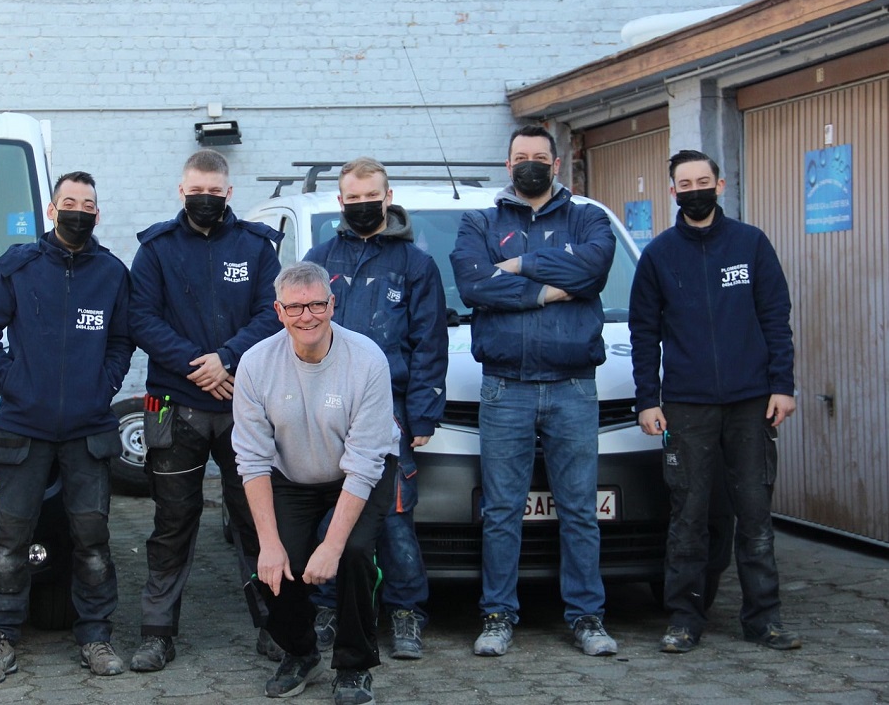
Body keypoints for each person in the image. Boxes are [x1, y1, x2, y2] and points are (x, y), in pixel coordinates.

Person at [449, 124, 618, 658]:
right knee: (502, 511)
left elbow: (592, 271)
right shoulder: (480, 220)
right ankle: (498, 615)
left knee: (579, 511)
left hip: (574, 389)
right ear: (507, 165)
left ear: (556, 164)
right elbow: (474, 284)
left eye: (539, 157)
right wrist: (549, 291)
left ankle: (587, 617)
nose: (530, 164)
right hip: (506, 389)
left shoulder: (588, 216)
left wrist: (518, 267)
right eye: (520, 157)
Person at [0, 171, 134, 686]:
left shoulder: (111, 274)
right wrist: (17, 382)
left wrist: (100, 387)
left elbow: (122, 341)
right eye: (69, 202)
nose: (79, 210)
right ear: (52, 211)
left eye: (88, 203)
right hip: (24, 427)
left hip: (87, 428)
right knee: (9, 539)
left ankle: (96, 637)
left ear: (97, 214)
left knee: (92, 537)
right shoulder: (19, 269)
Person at [629, 149, 801, 653]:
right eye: (686, 183)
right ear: (673, 193)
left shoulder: (751, 245)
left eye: (704, 180)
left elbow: (776, 319)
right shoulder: (659, 255)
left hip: (751, 403)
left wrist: (782, 385)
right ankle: (685, 617)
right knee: (688, 514)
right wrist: (647, 399)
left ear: (720, 185)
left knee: (754, 513)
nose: (696, 189)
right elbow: (644, 333)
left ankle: (763, 619)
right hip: (686, 407)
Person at [128, 149, 283, 671]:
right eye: (198, 191)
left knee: (255, 520)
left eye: (216, 193)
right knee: (173, 521)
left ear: (229, 193)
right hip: (178, 405)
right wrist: (201, 365)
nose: (206, 200)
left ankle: (276, 627)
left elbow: (273, 312)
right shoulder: (155, 249)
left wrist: (229, 358)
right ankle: (156, 633)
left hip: (245, 405)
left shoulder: (258, 247)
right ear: (181, 190)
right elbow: (141, 318)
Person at [233, 261, 399, 705]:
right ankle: (300, 652)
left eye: (317, 305)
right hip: (292, 472)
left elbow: (365, 462)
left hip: (360, 471)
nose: (307, 316)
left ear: (332, 304)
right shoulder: (254, 364)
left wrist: (332, 545)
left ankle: (355, 664)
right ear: (278, 311)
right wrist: (269, 543)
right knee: (274, 558)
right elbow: (251, 460)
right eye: (295, 307)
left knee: (355, 553)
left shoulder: (367, 360)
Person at [303, 157, 448, 660]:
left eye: (372, 197)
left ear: (387, 197)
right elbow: (298, 330)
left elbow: (430, 343)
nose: (362, 206)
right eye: (353, 199)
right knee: (326, 511)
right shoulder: (320, 260)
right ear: (340, 202)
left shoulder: (416, 265)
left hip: (391, 411)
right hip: (325, 407)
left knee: (392, 516)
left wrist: (424, 413)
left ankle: (406, 612)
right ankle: (326, 607)